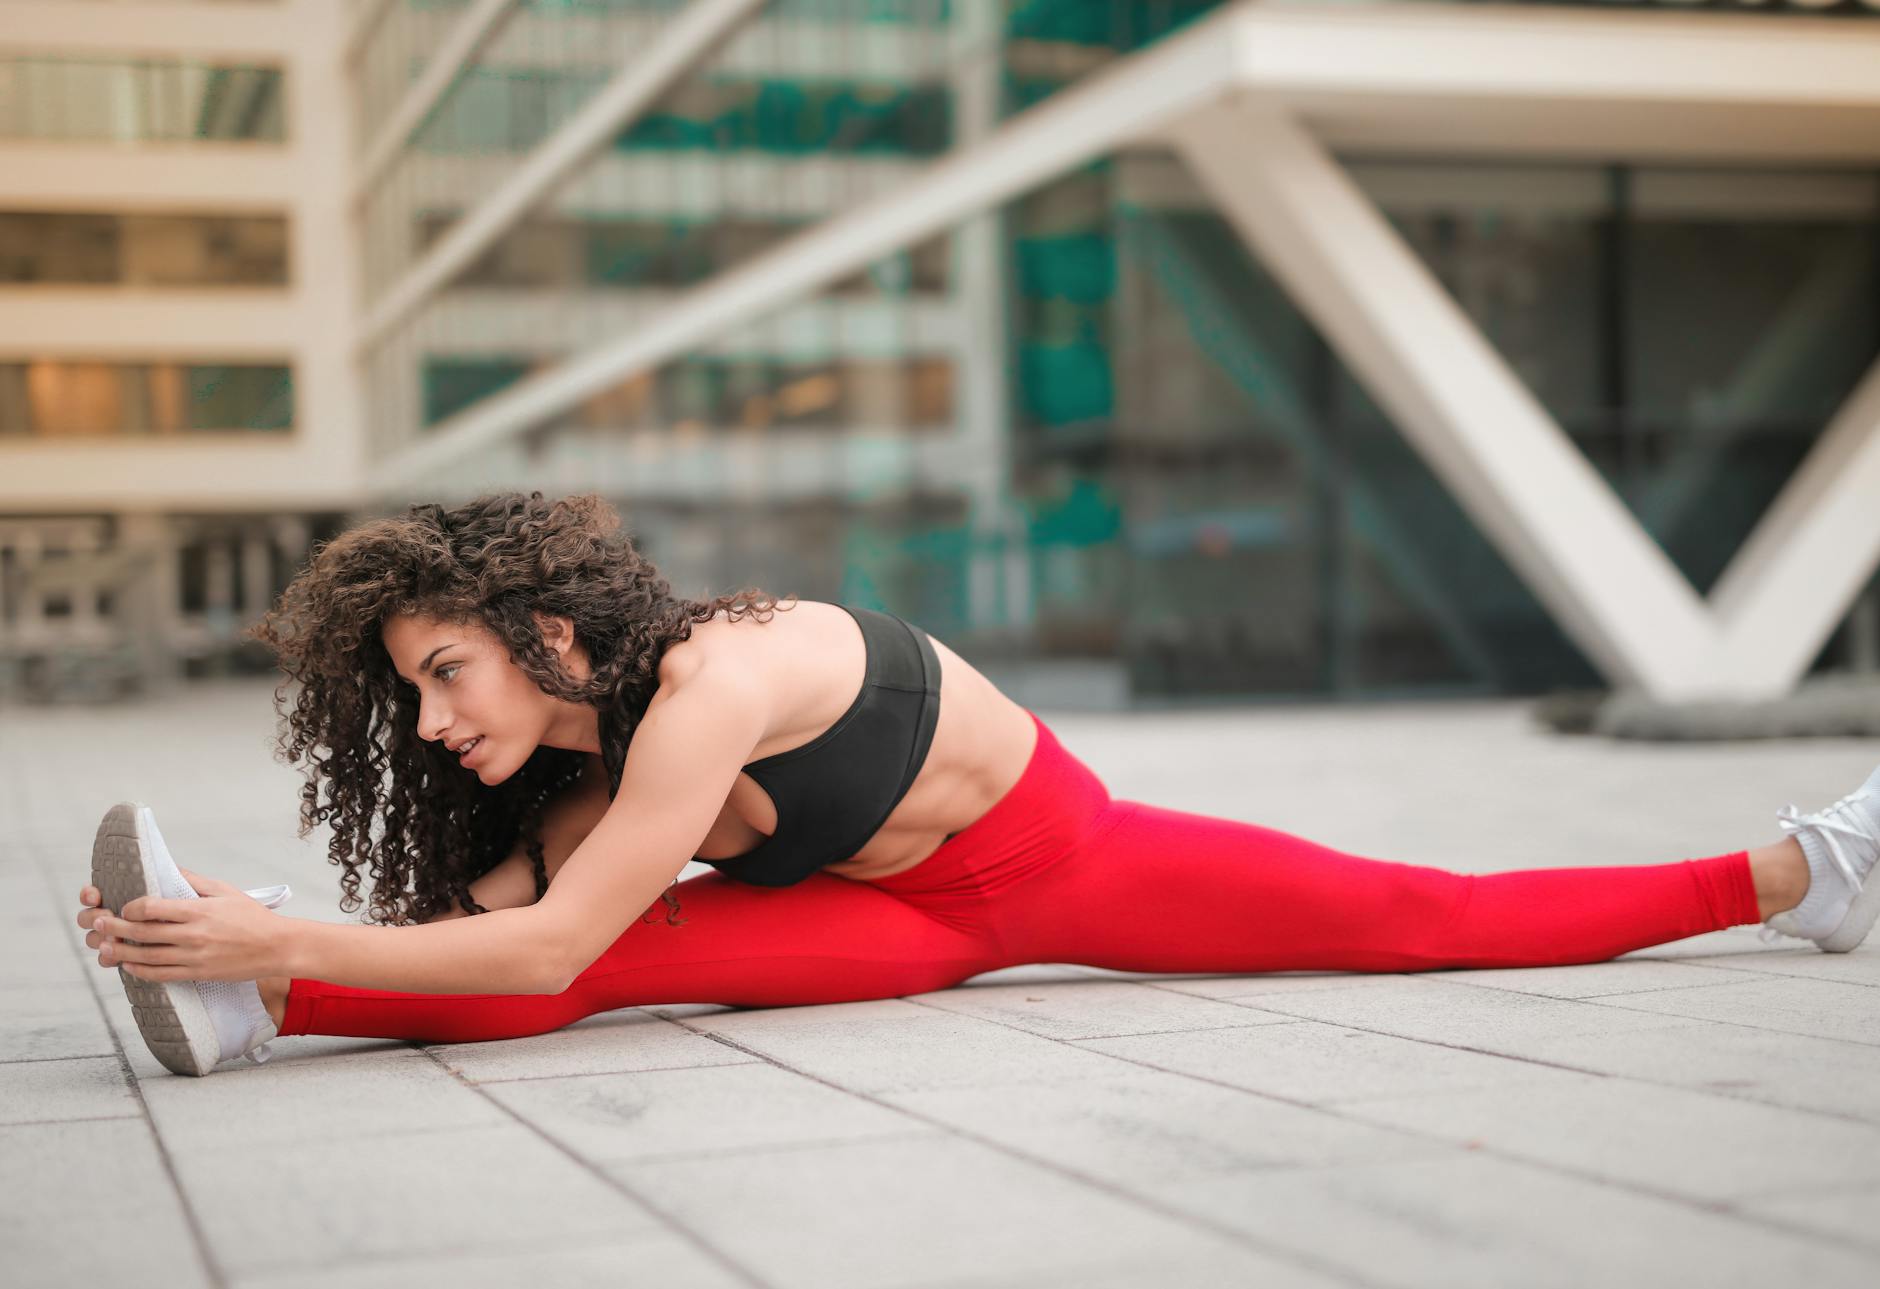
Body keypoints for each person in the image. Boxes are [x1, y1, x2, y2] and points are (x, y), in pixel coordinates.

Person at [75, 492, 1880, 1077]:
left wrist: (280, 911)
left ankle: (1802, 868)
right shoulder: (597, 753)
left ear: (546, 628)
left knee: (1423, 917)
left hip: (1061, 868)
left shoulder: (707, 686)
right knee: (602, 951)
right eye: (408, 699)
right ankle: (242, 996)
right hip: (888, 921)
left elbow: (537, 943)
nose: (431, 721)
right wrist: (237, 937)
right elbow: (534, 929)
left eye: (442, 675)